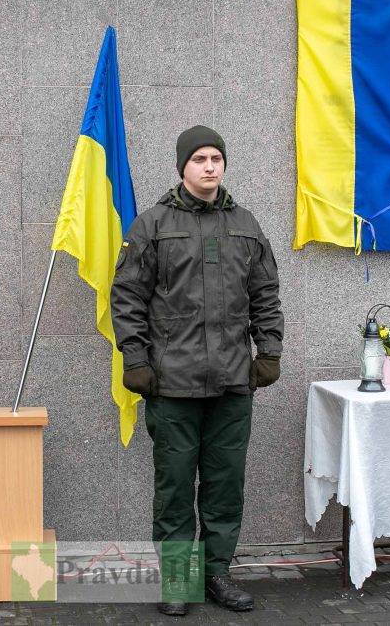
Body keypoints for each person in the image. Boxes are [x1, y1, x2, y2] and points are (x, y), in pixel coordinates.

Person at [111, 125, 285, 616]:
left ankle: (217, 575)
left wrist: (267, 352)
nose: (210, 167)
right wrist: (137, 359)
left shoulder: (246, 226)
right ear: (182, 166)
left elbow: (266, 297)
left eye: (216, 158)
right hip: (172, 385)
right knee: (174, 487)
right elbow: (126, 297)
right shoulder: (153, 226)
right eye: (200, 159)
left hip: (233, 383)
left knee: (224, 485)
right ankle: (179, 581)